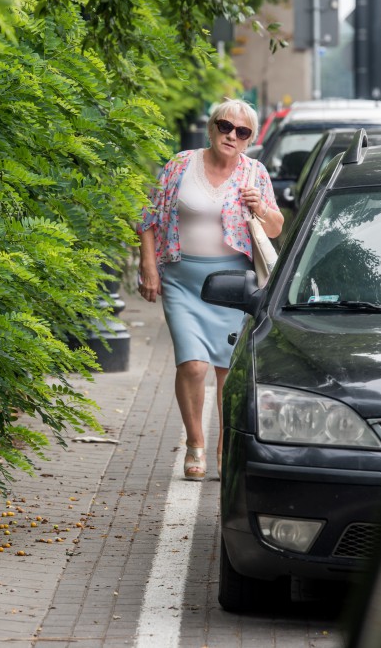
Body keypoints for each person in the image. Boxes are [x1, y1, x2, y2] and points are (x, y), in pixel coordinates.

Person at [137, 98, 284, 480]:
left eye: (242, 131)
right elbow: (148, 217)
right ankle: (195, 444)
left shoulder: (255, 173)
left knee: (225, 371)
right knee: (192, 363)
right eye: (225, 126)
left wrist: (262, 209)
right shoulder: (180, 165)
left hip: (232, 285)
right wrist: (148, 265)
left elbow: (276, 228)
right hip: (182, 280)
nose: (231, 135)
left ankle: (223, 447)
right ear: (212, 127)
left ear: (249, 138)